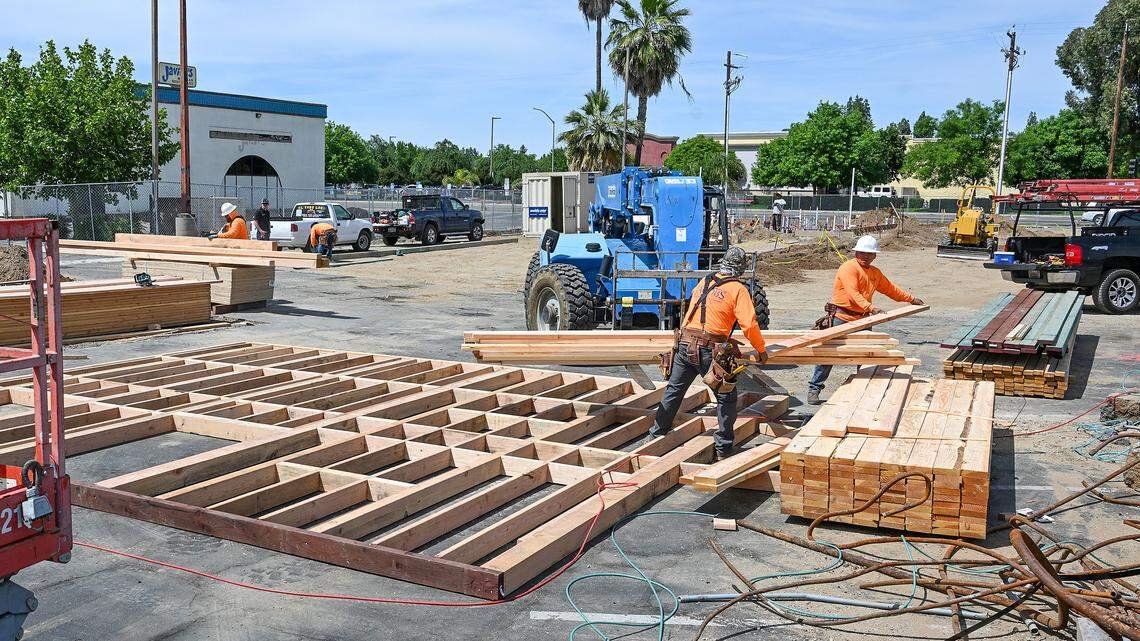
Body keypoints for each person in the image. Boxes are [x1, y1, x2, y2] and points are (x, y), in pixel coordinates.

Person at [651, 246, 769, 460]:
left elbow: (700, 315)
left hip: (685, 345)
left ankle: (656, 435)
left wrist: (722, 335)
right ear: (740, 269)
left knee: (674, 391)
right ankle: (723, 448)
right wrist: (761, 350)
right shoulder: (738, 289)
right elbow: (750, 325)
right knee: (726, 396)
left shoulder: (705, 281)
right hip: (708, 350)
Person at [807, 235, 925, 405]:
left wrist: (911, 299)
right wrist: (872, 308)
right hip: (841, 317)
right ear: (856, 252)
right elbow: (852, 294)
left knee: (865, 355)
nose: (865, 256)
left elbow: (891, 289)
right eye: (862, 253)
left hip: (862, 319)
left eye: (869, 254)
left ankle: (861, 391)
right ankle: (814, 389)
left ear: (875, 255)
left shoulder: (875, 273)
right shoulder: (848, 268)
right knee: (829, 354)